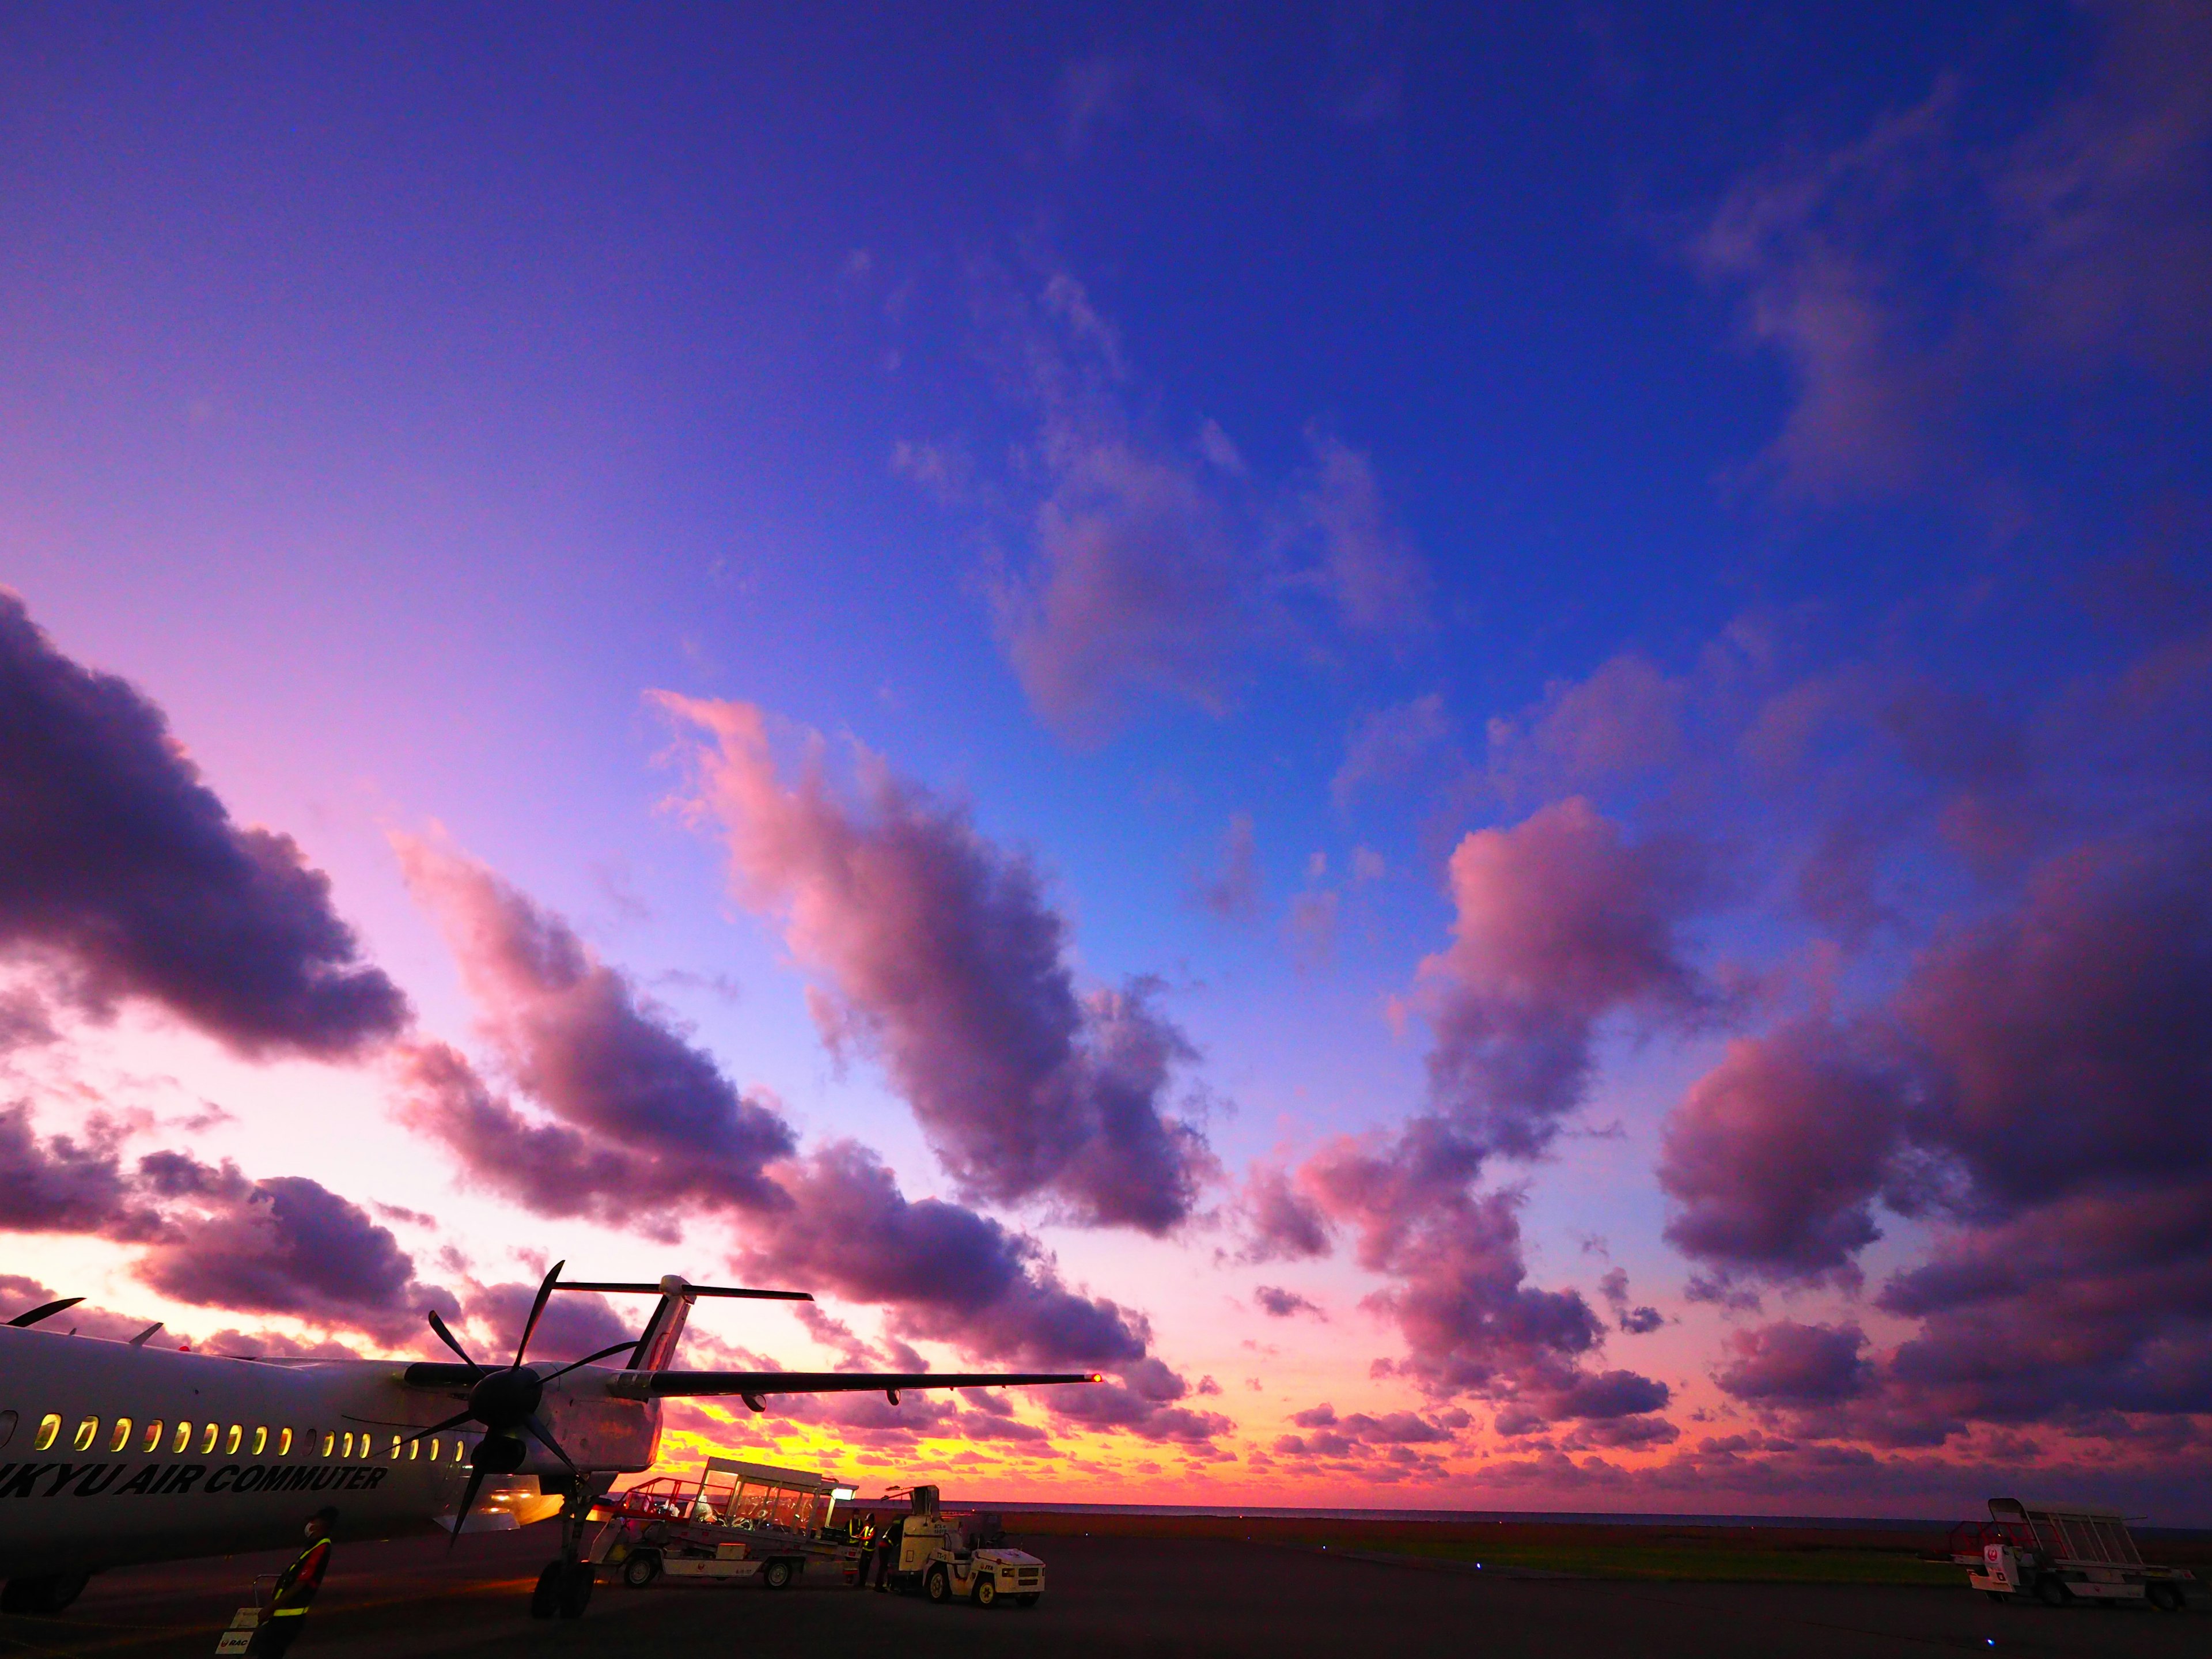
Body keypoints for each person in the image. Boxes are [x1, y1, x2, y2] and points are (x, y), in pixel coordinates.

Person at [249, 1508, 336, 1656]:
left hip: (287, 1618)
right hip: (283, 1616)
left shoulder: (320, 1548)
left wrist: (270, 1608)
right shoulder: (314, 1547)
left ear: (322, 1524)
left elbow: (300, 1583)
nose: (309, 1525)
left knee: (267, 1652)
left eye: (313, 1521)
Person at [865, 1515, 903, 1592]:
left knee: (883, 1566)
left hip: (883, 1546)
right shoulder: (900, 1529)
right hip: (886, 1547)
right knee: (883, 1567)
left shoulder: (894, 1527)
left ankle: (879, 1585)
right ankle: (879, 1586)